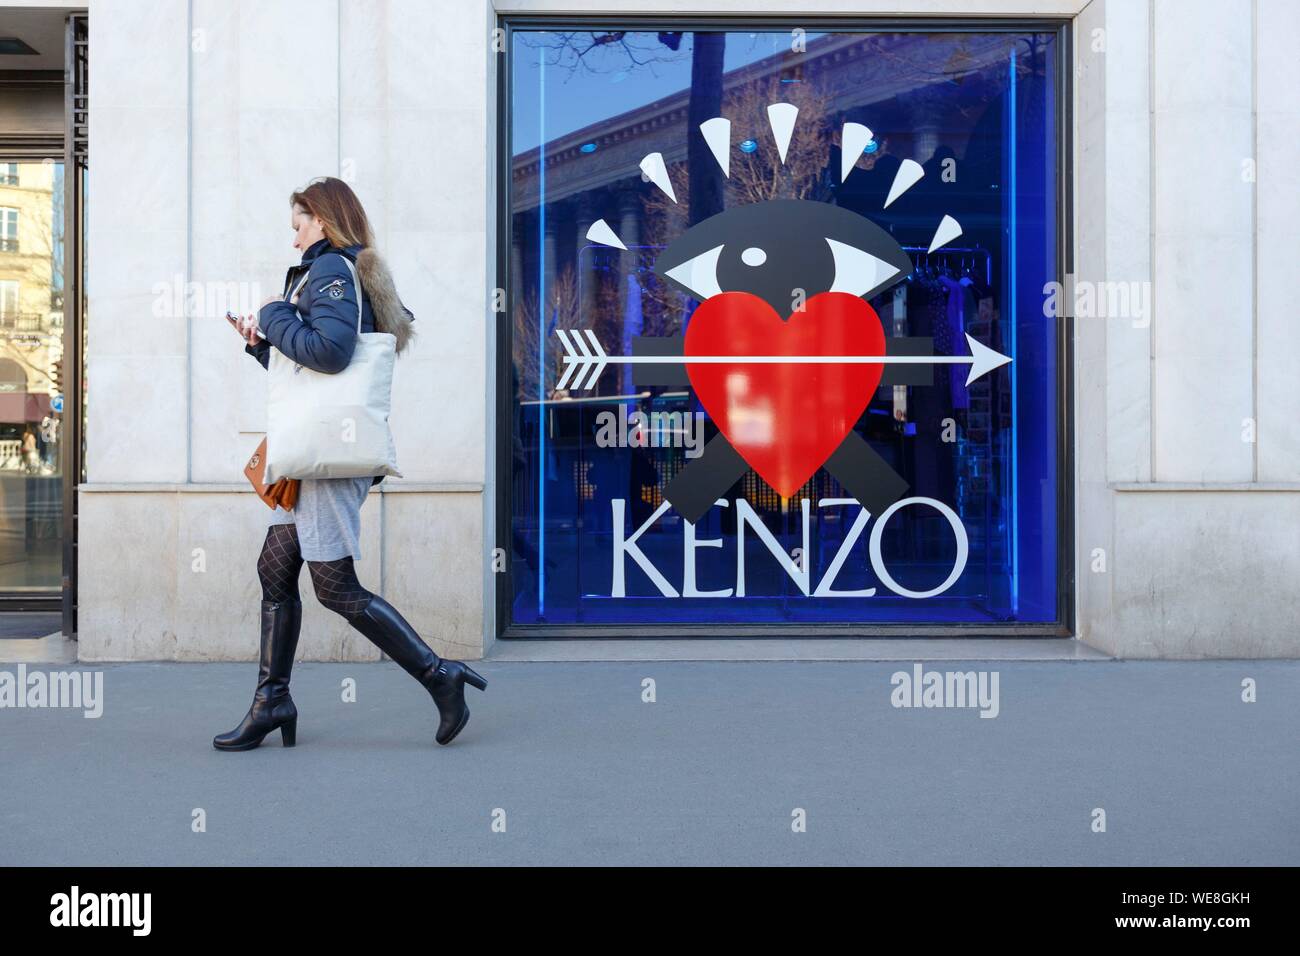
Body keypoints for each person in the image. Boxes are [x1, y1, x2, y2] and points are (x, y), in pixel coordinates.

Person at [213, 176, 486, 752]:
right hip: (318, 451)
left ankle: (442, 677)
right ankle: (271, 702)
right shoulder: (340, 272)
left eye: (298, 227)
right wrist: (265, 343)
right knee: (274, 569)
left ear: (323, 220)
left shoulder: (332, 270)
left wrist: (272, 312)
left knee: (335, 588)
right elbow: (313, 378)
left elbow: (332, 355)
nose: (293, 242)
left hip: (328, 460)